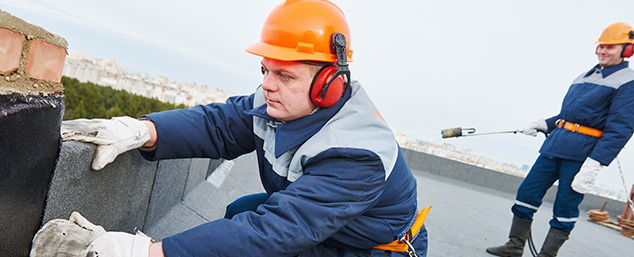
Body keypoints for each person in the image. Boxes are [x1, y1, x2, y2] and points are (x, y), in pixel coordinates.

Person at [30, 1, 431, 256]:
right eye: (265, 70)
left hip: (372, 248)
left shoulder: (357, 155)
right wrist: (140, 130)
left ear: (330, 83)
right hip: (323, 223)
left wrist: (144, 252)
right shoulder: (278, 101)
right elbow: (219, 124)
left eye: (285, 76)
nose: (268, 84)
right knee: (240, 210)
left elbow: (278, 229)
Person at [486, 22, 634, 257]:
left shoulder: (627, 82)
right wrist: (544, 124)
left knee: (565, 207)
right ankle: (514, 246)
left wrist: (595, 164)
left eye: (610, 47)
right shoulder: (585, 76)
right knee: (526, 194)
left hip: (581, 156)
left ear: (627, 50)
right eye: (600, 46)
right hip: (554, 146)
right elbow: (569, 117)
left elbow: (620, 129)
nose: (602, 51)